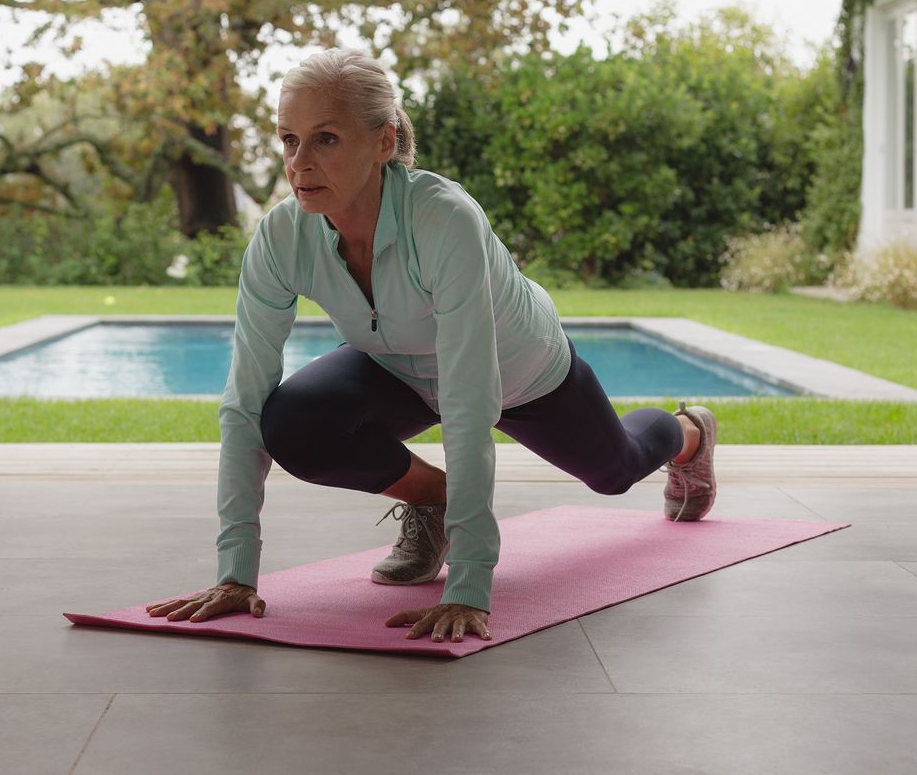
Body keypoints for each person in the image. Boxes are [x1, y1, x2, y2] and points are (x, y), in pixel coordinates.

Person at [145, 48, 717, 644]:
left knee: (615, 471)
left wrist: (468, 586)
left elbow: (469, 401)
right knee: (291, 424)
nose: (299, 162)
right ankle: (434, 499)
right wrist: (235, 573)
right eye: (289, 139)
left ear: (384, 142)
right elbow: (244, 401)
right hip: (395, 366)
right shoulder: (282, 235)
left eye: (326, 139)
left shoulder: (444, 220)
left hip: (519, 370)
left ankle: (688, 432)